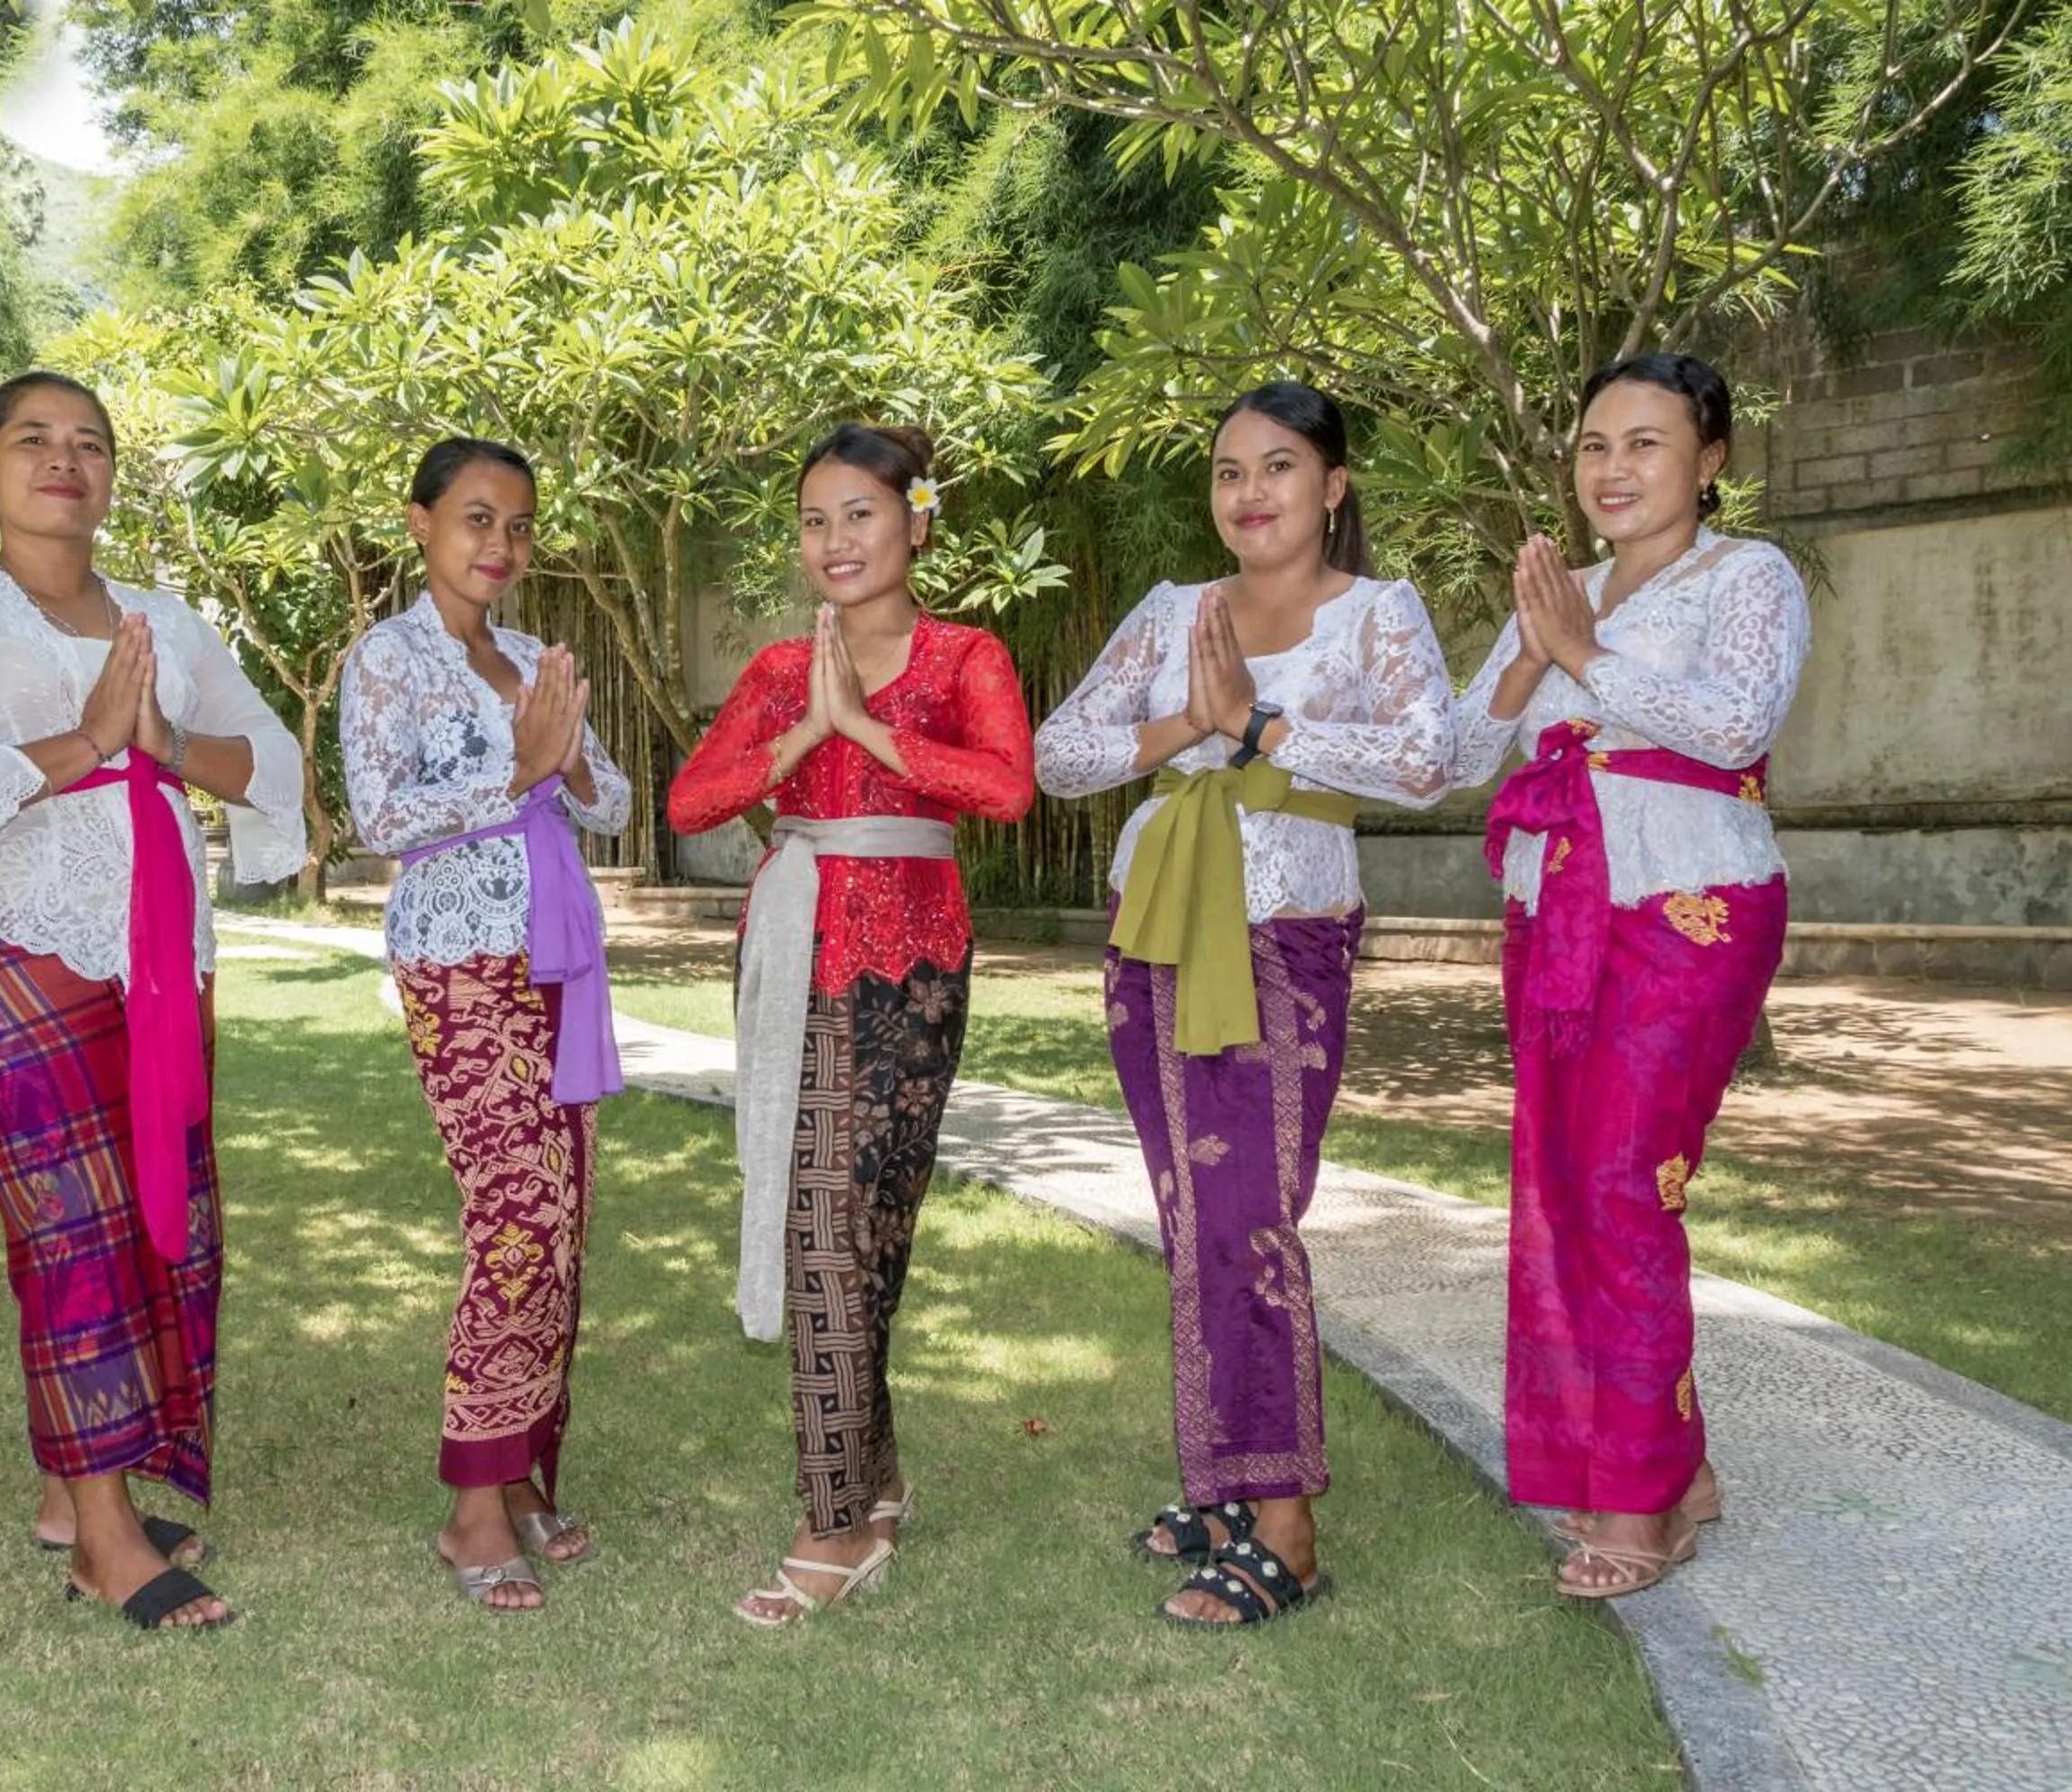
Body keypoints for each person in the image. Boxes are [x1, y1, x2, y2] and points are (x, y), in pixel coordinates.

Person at [0, 371, 306, 1631]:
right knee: (71, 1228)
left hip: (167, 945)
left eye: (90, 443)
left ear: (114, 474)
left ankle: (95, 1481)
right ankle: (103, 1540)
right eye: (33, 440)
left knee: (168, 1213)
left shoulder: (165, 618)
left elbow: (271, 761)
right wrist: (87, 744)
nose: (66, 460)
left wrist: (162, 741)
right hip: (27, 940)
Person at [1036, 381, 1456, 1627]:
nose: (1250, 492)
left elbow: (1428, 759)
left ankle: (1288, 1526)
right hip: (1154, 927)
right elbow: (1060, 754)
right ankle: (1222, 1488)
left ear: (1333, 486)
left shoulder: (1378, 614)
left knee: (1251, 1217)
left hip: (1286, 933)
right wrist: (1188, 725)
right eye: (1229, 471)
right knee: (1190, 1215)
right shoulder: (1173, 612)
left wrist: (1260, 727)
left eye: (1279, 467)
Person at [1451, 350, 1808, 1598]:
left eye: (1648, 443)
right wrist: (1530, 654)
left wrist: (1586, 656)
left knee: (1622, 1180)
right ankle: (1677, 1469)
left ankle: (1637, 1499)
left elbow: (1734, 725)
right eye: (1597, 443)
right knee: (1561, 1180)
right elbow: (1456, 749)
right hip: (1556, 908)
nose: (1614, 467)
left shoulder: (1748, 576)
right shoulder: (1565, 583)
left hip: (1691, 902)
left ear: (1710, 463)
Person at [668, 422, 1035, 1628]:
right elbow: (694, 796)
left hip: (913, 964)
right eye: (815, 519)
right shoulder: (781, 668)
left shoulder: (966, 654)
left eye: (860, 515)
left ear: (916, 521)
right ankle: (845, 1510)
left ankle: (864, 1487)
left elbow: (1007, 787)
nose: (835, 541)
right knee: (814, 1220)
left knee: (867, 1226)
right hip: (792, 950)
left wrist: (871, 731)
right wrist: (804, 731)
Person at [340, 437, 632, 1615]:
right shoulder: (385, 659)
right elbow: (377, 816)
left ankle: (516, 1477)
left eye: (517, 523)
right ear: (420, 524)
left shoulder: (532, 655)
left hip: (558, 946)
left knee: (563, 1216)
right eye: (474, 518)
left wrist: (558, 754)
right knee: (513, 1212)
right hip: (458, 955)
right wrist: (514, 771)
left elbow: (609, 796)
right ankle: (472, 1504)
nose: (499, 544)